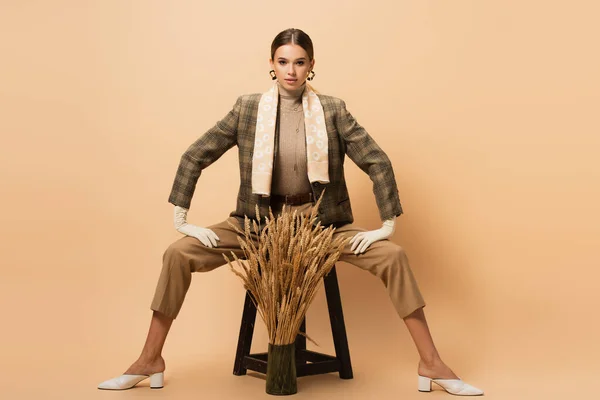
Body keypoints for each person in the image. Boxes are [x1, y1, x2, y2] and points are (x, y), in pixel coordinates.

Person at [98, 28, 484, 396]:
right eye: (284, 62)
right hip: (255, 223)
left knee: (394, 257)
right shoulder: (247, 108)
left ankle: (432, 364)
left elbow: (376, 161)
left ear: (311, 64)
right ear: (272, 63)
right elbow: (196, 154)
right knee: (177, 254)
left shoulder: (332, 110)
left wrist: (386, 224)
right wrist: (181, 219)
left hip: (318, 226)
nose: (291, 70)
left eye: (299, 62)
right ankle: (149, 360)